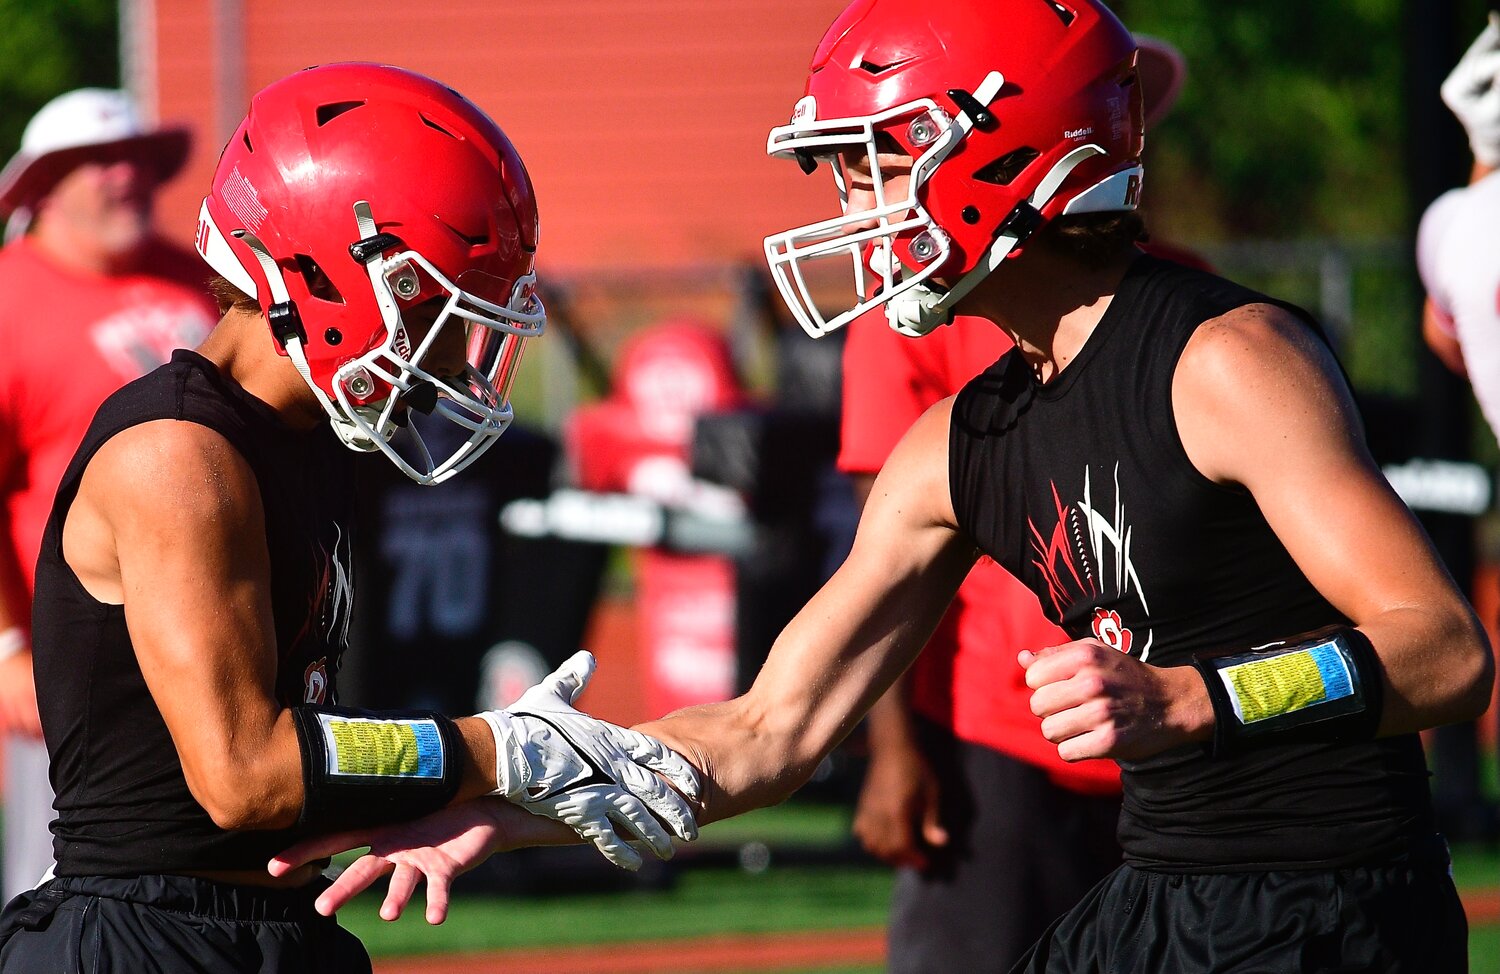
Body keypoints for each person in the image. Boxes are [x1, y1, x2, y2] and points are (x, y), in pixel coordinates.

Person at [275, 5, 1491, 971]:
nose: (850, 207)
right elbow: (770, 729)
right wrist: (520, 794)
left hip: (1335, 908)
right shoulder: (959, 438)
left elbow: (1443, 650)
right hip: (1163, 896)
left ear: (1004, 151)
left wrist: (1198, 698)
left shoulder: (1224, 359)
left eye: (872, 163)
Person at [0, 62, 698, 973]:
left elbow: (306, 733)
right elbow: (246, 776)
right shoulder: (176, 452)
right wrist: (499, 749)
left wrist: (410, 796)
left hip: (272, 926)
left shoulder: (306, 435)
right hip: (146, 940)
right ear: (325, 274)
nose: (457, 345)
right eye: (434, 299)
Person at [841, 35, 1211, 972]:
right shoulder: (914, 318)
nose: (860, 195)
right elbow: (876, 569)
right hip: (1000, 733)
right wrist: (895, 746)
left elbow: (1429, 642)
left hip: (1176, 730)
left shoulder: (1208, 323)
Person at [0, 88, 219, 901]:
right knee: (62, 888)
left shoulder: (196, 279)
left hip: (218, 626)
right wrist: (9, 650)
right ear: (41, 189)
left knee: (216, 876)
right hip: (77, 648)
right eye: (98, 160)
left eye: (138, 157)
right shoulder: (9, 295)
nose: (127, 175)